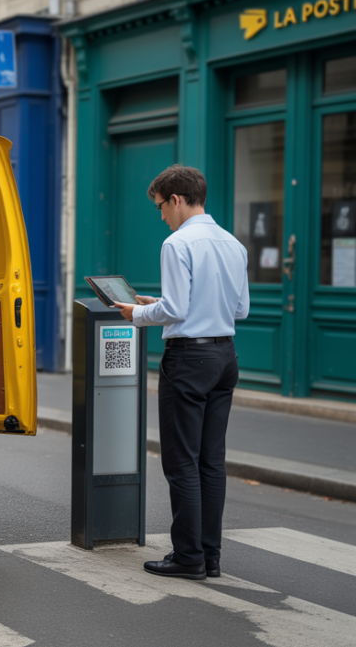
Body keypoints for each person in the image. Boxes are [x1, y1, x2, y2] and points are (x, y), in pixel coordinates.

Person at [115, 165, 249, 581]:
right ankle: (210, 556)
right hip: (225, 356)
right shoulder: (233, 244)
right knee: (212, 461)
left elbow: (175, 310)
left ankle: (187, 556)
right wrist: (166, 303)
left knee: (182, 463)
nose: (161, 216)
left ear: (176, 199)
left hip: (189, 361)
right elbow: (240, 310)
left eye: (160, 207)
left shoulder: (177, 243)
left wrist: (134, 312)